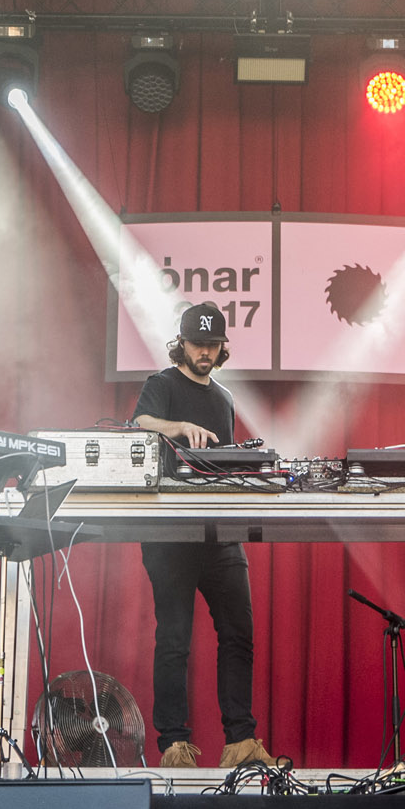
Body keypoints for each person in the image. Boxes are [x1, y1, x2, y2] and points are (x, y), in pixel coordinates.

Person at [130, 302, 279, 770]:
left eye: (213, 345)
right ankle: (174, 744)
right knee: (174, 638)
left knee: (238, 634)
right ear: (182, 343)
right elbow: (139, 423)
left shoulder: (225, 398)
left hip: (219, 532)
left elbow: (226, 465)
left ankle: (241, 741)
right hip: (170, 533)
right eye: (198, 344)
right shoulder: (161, 384)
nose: (205, 353)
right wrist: (178, 427)